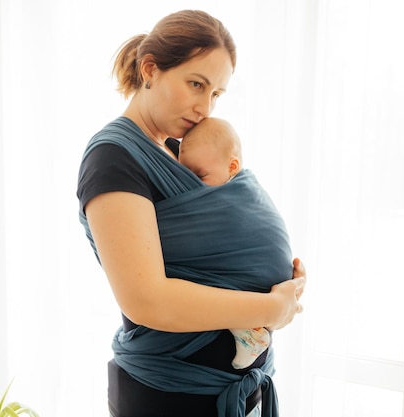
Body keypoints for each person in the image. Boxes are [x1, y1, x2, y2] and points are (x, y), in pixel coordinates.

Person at [76, 10, 306, 417]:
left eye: (216, 94)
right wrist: (270, 308)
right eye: (196, 84)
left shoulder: (179, 152)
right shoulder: (113, 159)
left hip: (231, 390)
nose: (204, 107)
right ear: (151, 69)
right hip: (170, 394)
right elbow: (147, 301)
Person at [179, 116, 292, 371]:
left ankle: (249, 333)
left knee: (217, 280)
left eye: (200, 175)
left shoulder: (239, 194)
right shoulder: (220, 181)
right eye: (187, 175)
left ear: (232, 167)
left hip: (261, 274)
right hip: (273, 281)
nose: (194, 185)